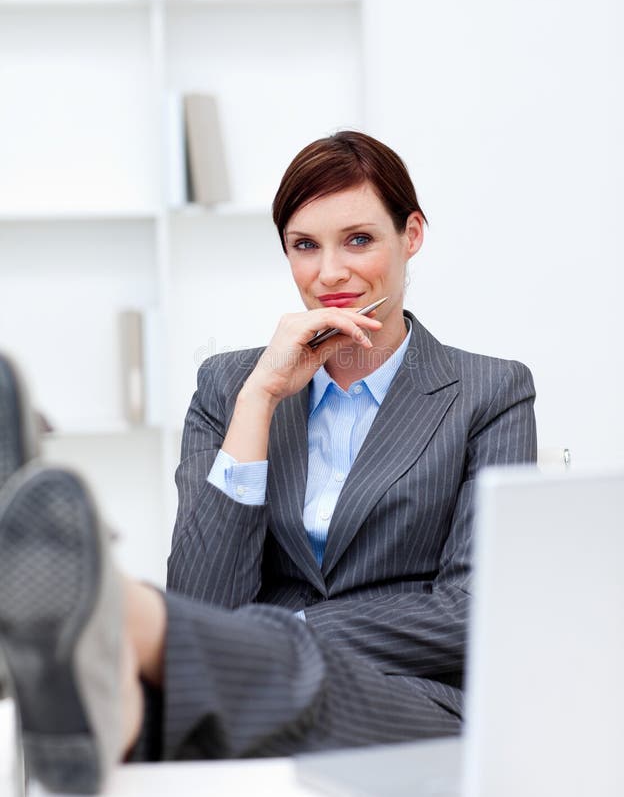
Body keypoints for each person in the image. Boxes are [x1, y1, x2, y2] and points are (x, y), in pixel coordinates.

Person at [0, 132, 536, 795]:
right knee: (211, 695)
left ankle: (106, 620)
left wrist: (291, 629)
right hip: (246, 682)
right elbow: (203, 601)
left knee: (213, 685)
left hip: (415, 704)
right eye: (304, 246)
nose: (330, 273)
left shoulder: (490, 391)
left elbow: (474, 611)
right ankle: (94, 699)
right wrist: (259, 399)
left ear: (413, 235)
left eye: (359, 240)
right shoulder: (230, 385)